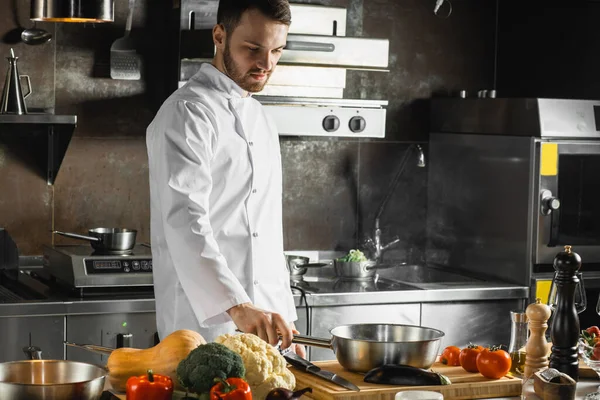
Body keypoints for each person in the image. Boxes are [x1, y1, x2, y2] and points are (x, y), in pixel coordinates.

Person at [146, 0, 305, 357]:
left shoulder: (262, 119)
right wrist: (236, 305)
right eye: (253, 49)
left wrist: (286, 318)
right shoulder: (186, 113)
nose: (266, 65)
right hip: (204, 327)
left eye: (277, 50)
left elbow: (266, 230)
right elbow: (184, 220)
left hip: (267, 328)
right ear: (219, 35)